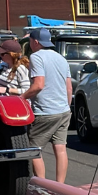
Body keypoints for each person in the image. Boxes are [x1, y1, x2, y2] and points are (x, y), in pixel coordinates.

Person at [20, 28, 71, 183]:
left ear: (35, 42)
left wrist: (22, 97)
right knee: (60, 148)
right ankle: (60, 186)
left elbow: (38, 85)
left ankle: (42, 185)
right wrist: (67, 107)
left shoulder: (36, 57)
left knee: (33, 149)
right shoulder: (61, 58)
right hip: (63, 110)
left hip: (45, 111)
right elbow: (69, 87)